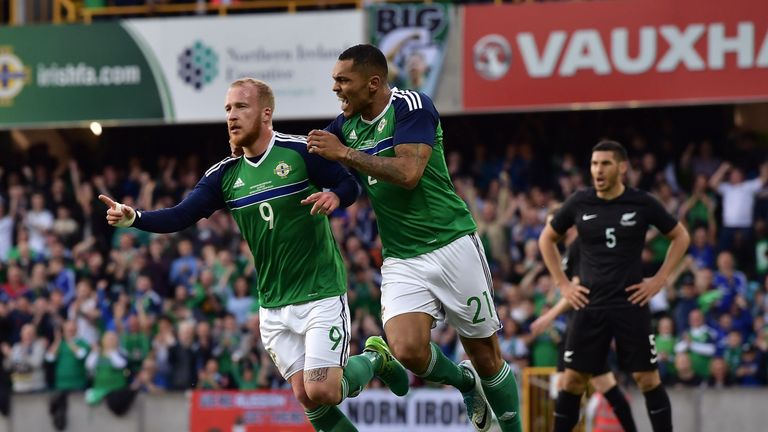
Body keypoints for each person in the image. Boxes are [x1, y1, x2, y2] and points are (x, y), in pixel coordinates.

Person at [99, 77, 407, 432]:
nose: (232, 115)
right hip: (273, 303)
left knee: (322, 389)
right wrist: (135, 217)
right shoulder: (224, 175)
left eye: (241, 107)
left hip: (319, 291)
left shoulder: (298, 151)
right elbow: (182, 215)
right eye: (228, 108)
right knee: (306, 398)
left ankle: (374, 357)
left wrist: (336, 197)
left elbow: (348, 183)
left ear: (266, 114)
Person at [307, 44, 521, 432]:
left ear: (373, 83)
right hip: (402, 257)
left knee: (487, 357)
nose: (336, 89)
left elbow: (408, 173)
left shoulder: (412, 106)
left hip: (452, 244)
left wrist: (345, 154)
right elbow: (317, 158)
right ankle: (463, 382)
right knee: (405, 349)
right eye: (334, 81)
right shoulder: (345, 125)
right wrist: (337, 191)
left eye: (343, 81)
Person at [538, 140, 690, 432]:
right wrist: (563, 284)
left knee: (647, 379)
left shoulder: (641, 202)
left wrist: (659, 279)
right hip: (589, 304)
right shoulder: (580, 201)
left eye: (605, 163)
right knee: (571, 380)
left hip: (630, 303)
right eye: (594, 164)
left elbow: (680, 236)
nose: (598, 170)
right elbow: (547, 239)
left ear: (622, 167)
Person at [531, 234, 637, 432]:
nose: (550, 230)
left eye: (553, 223)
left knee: (567, 388)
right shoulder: (568, 252)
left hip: (585, 327)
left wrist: (549, 316)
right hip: (576, 327)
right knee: (595, 386)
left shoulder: (582, 246)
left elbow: (578, 289)